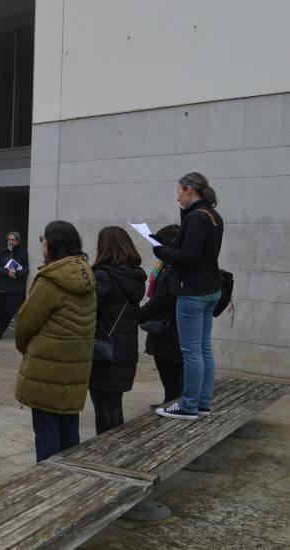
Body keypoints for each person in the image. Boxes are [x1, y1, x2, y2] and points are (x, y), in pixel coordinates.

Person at [15, 221, 96, 462]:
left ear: (53, 243)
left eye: (44, 238)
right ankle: (70, 486)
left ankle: (49, 492)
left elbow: (25, 325)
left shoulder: (50, 280)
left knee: (47, 435)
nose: (42, 243)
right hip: (75, 367)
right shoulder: (87, 275)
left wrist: (28, 349)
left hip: (47, 369)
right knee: (69, 433)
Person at [154, 172, 224, 421]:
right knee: (203, 349)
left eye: (179, 191)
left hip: (193, 292)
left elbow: (189, 257)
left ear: (189, 190)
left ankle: (189, 405)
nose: (178, 196)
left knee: (192, 351)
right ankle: (202, 403)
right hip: (209, 289)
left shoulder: (196, 218)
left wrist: (162, 252)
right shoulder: (211, 215)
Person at [88, 226, 146, 435]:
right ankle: (113, 449)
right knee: (113, 404)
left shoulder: (103, 275)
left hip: (104, 350)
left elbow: (89, 309)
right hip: (125, 350)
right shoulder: (135, 276)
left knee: (103, 407)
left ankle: (107, 452)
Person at [140, 225, 183, 404]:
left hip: (169, 329)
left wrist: (137, 315)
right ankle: (170, 400)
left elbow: (163, 299)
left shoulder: (174, 268)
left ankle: (173, 402)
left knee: (171, 370)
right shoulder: (165, 266)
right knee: (167, 371)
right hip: (163, 327)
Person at [0, 232, 30, 339]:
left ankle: (1, 329)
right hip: (0, 287)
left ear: (18, 241)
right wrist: (6, 272)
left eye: (13, 240)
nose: (11, 242)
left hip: (14, 289)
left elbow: (26, 270)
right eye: (9, 240)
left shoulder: (23, 253)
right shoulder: (2, 252)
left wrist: (16, 273)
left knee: (9, 311)